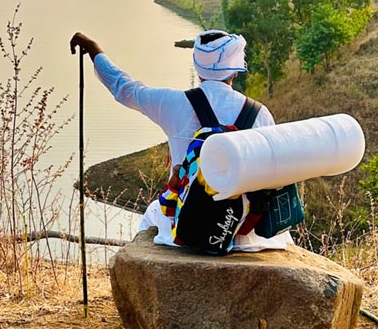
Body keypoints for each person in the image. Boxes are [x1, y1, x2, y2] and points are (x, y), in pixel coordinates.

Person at [69, 28, 292, 252]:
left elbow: (124, 88)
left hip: (187, 227)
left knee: (151, 216)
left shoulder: (172, 104)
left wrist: (94, 50)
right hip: (244, 235)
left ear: (198, 66)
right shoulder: (260, 114)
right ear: (235, 71)